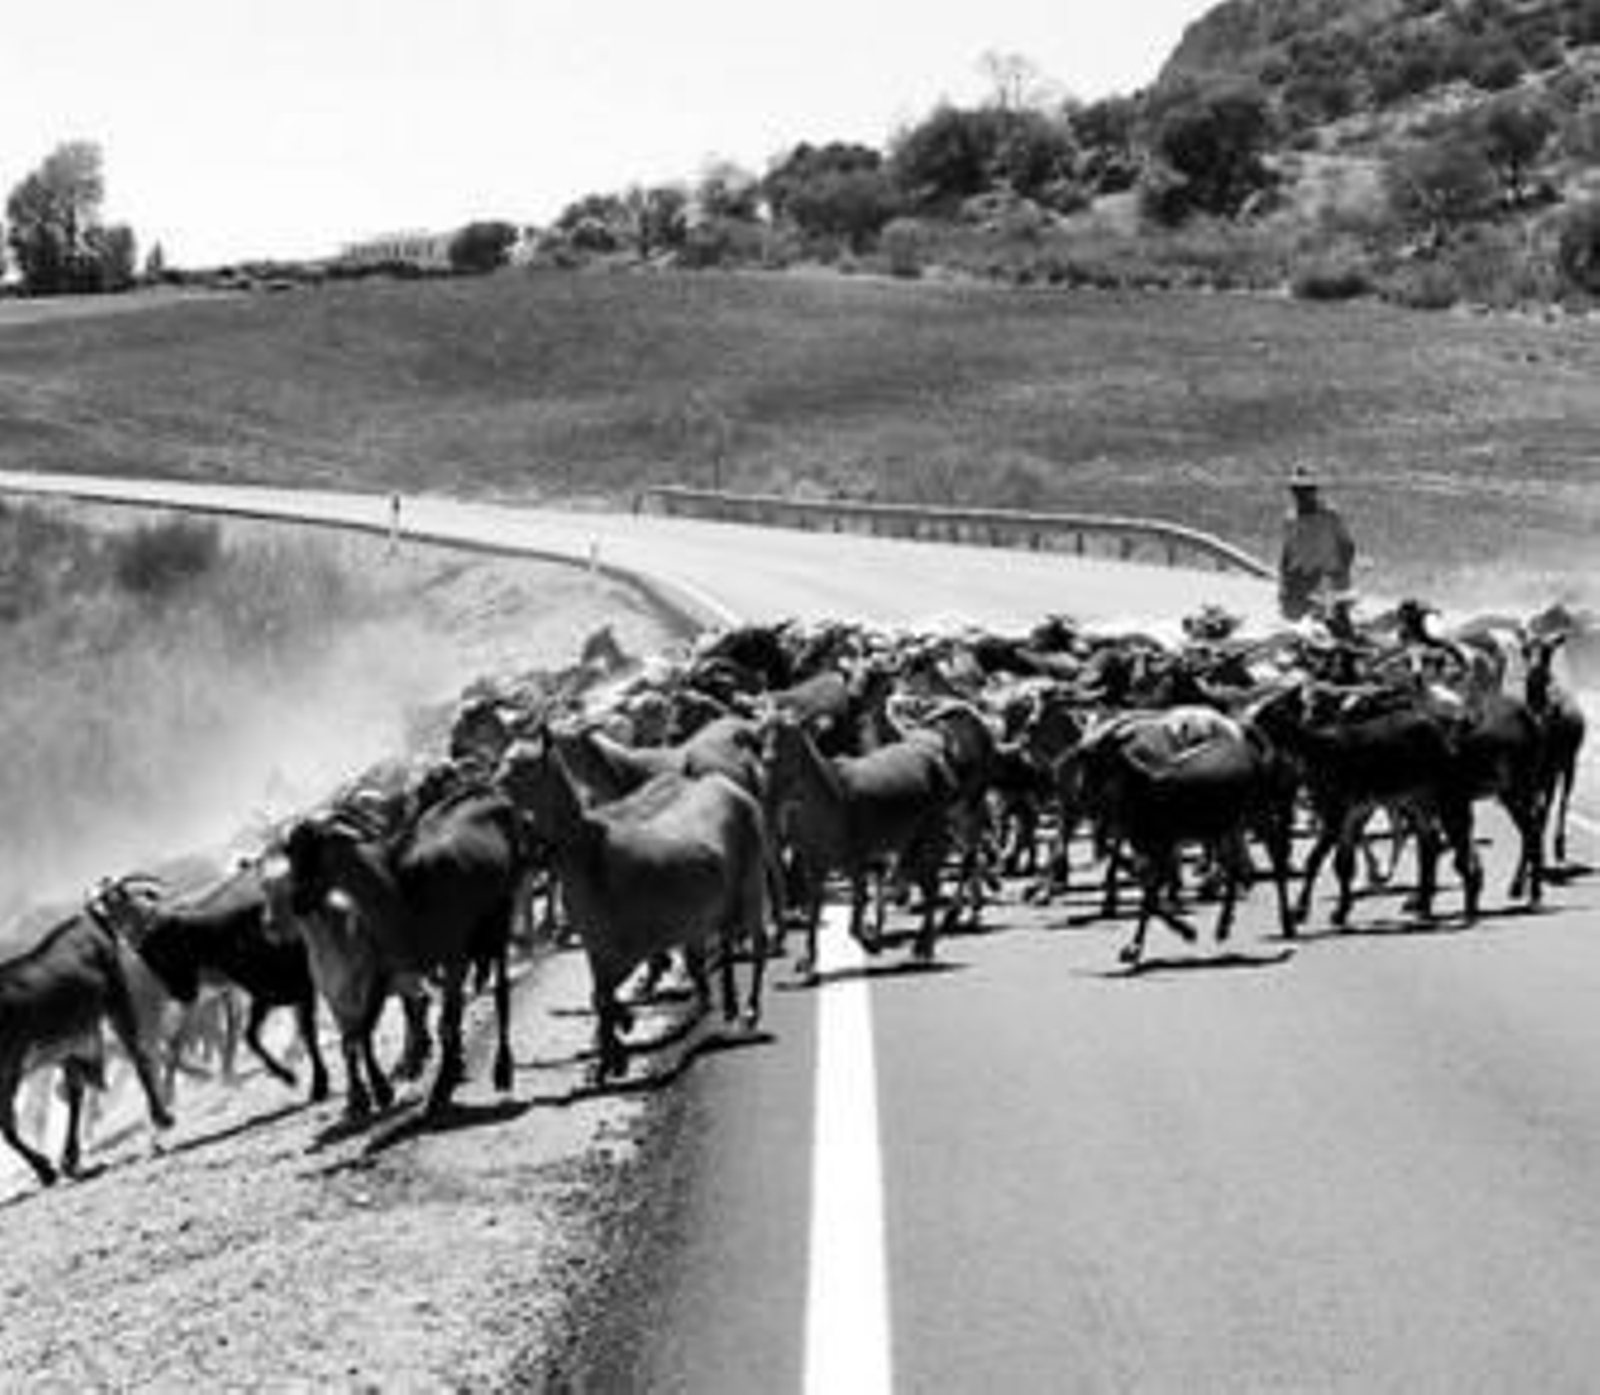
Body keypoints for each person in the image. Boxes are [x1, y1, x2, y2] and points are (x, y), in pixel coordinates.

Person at [1278, 463, 1355, 621]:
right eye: (1297, 490)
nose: (1302, 495)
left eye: (1307, 490)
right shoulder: (1290, 519)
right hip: (1301, 581)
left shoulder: (1329, 515)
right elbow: (1287, 553)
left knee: (1327, 619)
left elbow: (1348, 546)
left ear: (1315, 490)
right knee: (1292, 617)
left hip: (1328, 580)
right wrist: (1284, 583)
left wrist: (1339, 575)